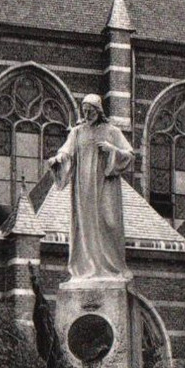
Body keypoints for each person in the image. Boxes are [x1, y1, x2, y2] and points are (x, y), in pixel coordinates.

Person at [47, 93, 134, 279]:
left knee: (108, 221)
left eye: (90, 111)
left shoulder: (112, 132)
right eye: (84, 111)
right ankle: (87, 266)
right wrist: (57, 159)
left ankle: (112, 268)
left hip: (106, 185)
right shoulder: (77, 132)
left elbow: (129, 156)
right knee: (85, 224)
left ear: (98, 110)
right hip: (84, 187)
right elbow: (66, 151)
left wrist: (112, 150)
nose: (87, 115)